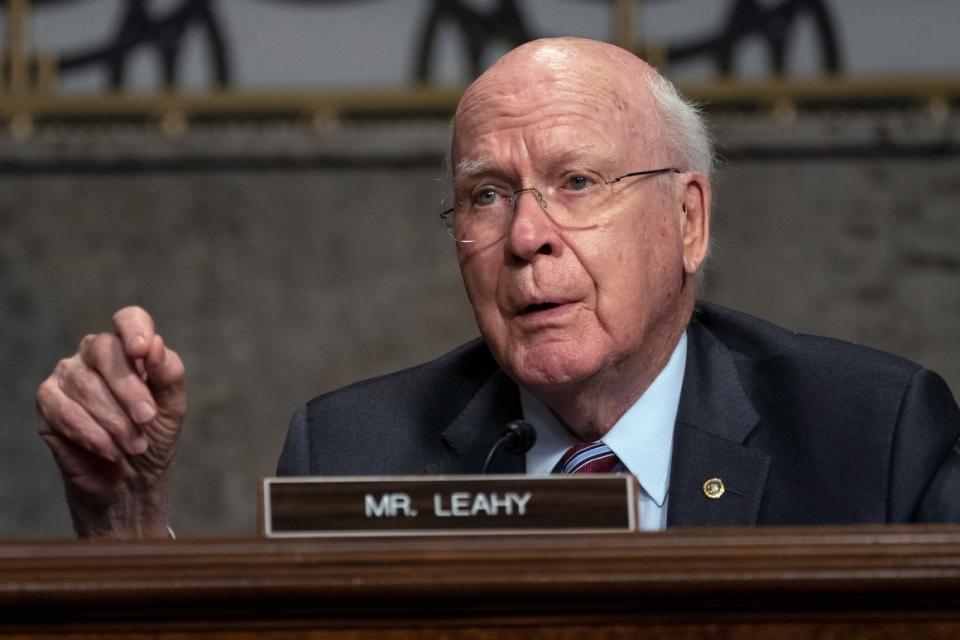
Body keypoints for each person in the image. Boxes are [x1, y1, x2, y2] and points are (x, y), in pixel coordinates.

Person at [36, 38, 960, 538]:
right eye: (486, 195)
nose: (526, 237)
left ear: (688, 221)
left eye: (578, 184)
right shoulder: (356, 450)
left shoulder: (872, 438)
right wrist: (125, 524)